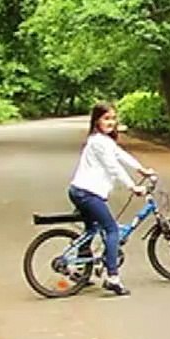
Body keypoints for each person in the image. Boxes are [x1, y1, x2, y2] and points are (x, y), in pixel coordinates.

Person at [67, 102, 155, 297]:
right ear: (97, 120)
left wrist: (142, 170)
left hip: (81, 191)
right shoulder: (98, 142)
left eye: (113, 118)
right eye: (106, 118)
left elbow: (121, 155)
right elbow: (113, 166)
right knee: (112, 230)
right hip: (87, 193)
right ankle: (113, 278)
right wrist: (133, 186)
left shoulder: (104, 141)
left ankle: (82, 271)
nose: (111, 122)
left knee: (91, 230)